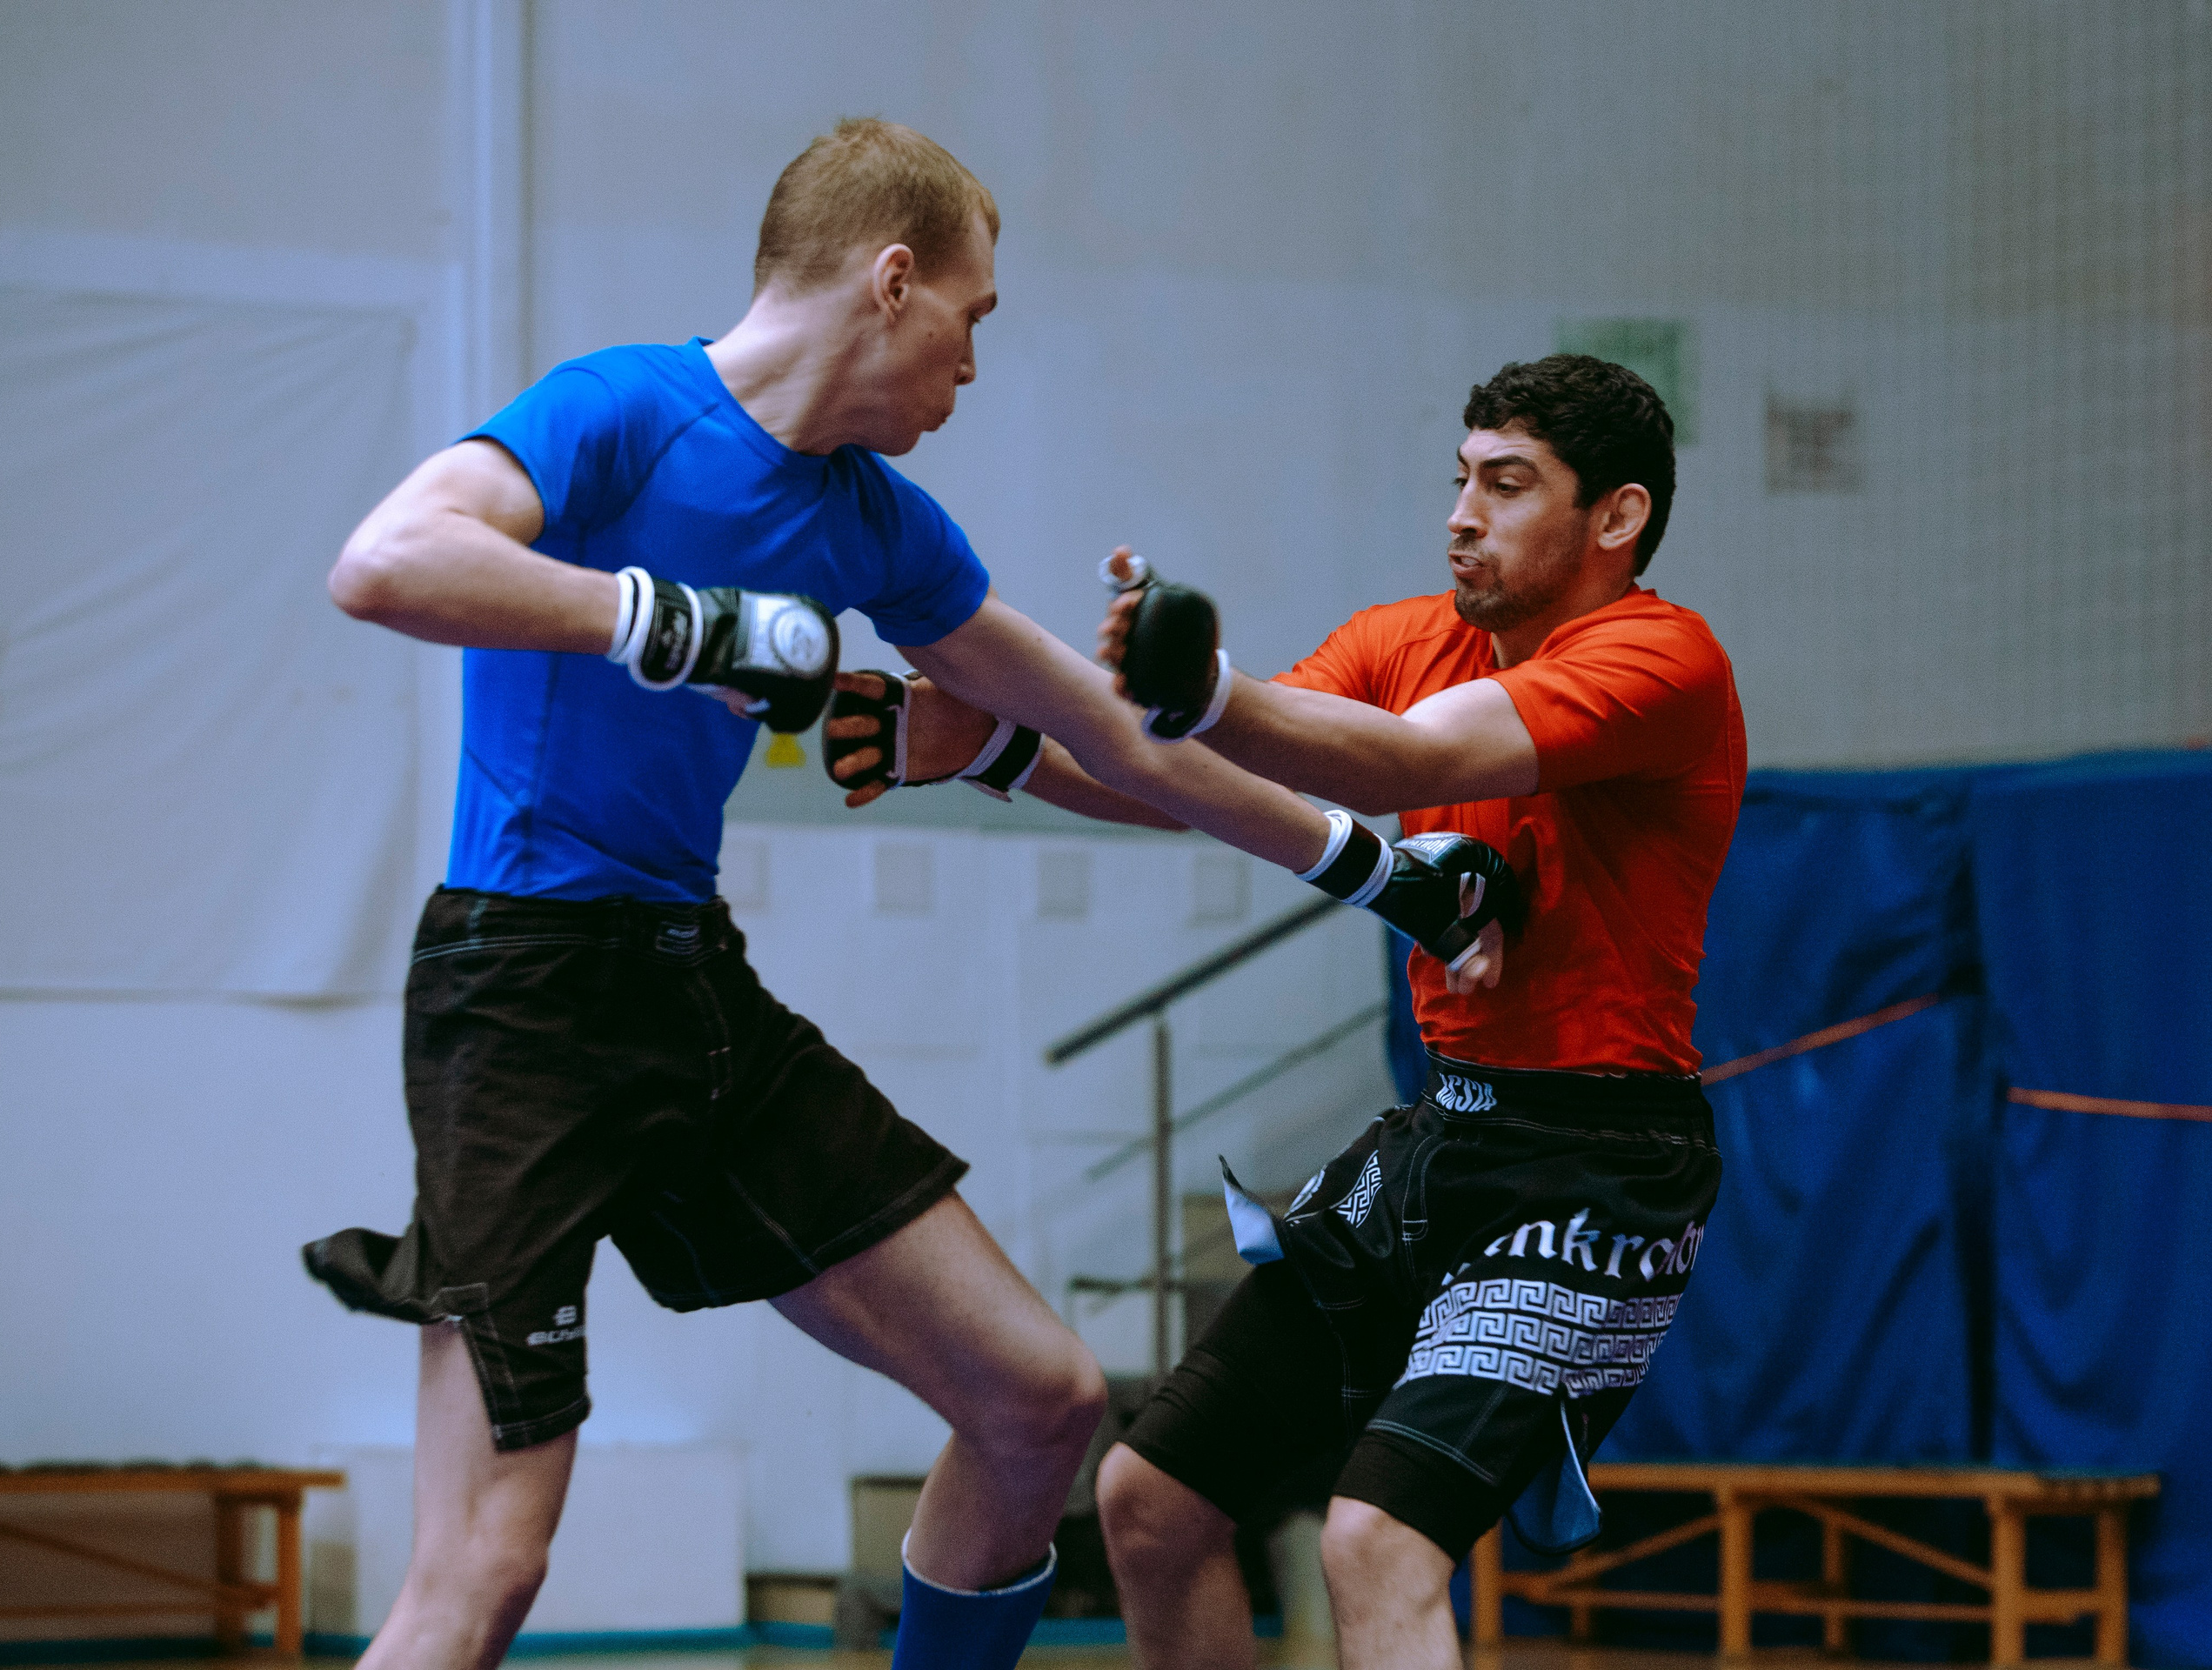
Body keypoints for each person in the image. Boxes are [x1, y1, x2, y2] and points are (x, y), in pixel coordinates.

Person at [304, 117, 1508, 1670]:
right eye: (974, 318)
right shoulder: (621, 408)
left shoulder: (872, 519)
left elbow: (1117, 741)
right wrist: (682, 625)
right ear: (891, 281)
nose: (975, 367)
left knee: (1041, 1398)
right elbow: (387, 560)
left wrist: (1380, 873)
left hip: (697, 995)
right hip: (521, 1004)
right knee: (486, 1566)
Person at [857, 353, 1743, 1670]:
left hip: (1599, 1171)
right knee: (1148, 1502)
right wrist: (996, 750)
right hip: (1445, 1135)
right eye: (1459, 479)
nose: (1461, 512)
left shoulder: (1660, 658)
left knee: (1375, 1543)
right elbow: (1204, 775)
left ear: (1615, 519)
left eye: (1507, 485)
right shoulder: (1410, 634)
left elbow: (1408, 757)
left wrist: (1202, 688)